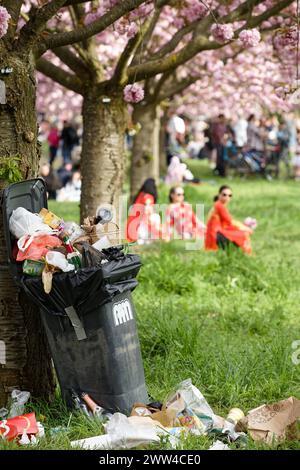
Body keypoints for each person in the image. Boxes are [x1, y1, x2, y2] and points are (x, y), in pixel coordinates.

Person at [205, 185, 252, 254]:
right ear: (219, 195)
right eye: (224, 195)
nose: (227, 197)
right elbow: (230, 221)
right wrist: (244, 227)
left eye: (230, 195)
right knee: (244, 234)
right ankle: (246, 253)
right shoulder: (219, 206)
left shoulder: (218, 205)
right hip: (215, 234)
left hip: (215, 232)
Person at [126, 178, 161, 243]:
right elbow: (148, 208)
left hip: (132, 223)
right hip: (141, 222)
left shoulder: (141, 194)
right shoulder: (148, 197)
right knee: (156, 217)